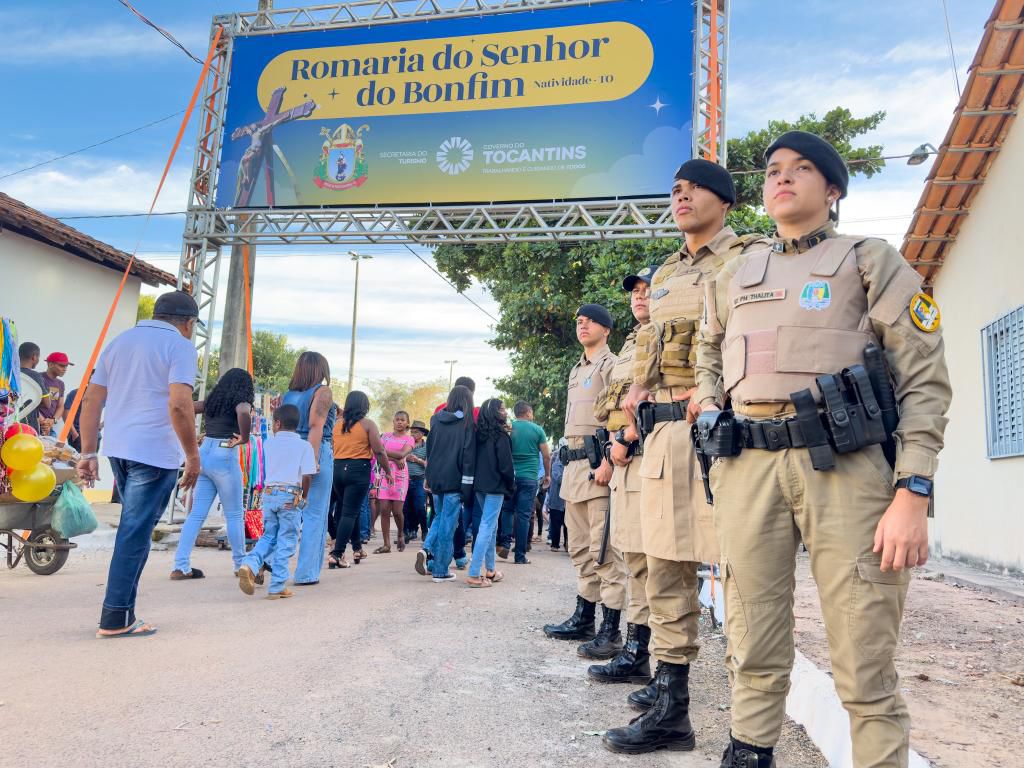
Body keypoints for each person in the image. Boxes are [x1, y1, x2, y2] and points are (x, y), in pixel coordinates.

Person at [693, 132, 951, 768]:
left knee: (863, 652)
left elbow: (923, 380)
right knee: (750, 636)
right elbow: (707, 350)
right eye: (774, 170)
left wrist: (913, 490)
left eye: (802, 170)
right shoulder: (733, 274)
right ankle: (750, 754)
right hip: (747, 466)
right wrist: (705, 399)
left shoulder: (869, 259)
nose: (783, 179)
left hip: (846, 470)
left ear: (832, 190)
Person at [605, 159, 770, 754]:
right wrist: (636, 396)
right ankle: (672, 710)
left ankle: (750, 734)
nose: (681, 197)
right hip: (666, 436)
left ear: (723, 199)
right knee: (666, 566)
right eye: (674, 190)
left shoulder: (752, 256)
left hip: (727, 431)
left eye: (693, 188)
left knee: (742, 571)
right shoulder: (669, 270)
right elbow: (650, 350)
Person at [77, 290, 201, 638]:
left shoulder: (120, 342)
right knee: (135, 533)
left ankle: (124, 611)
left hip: (118, 447)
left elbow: (92, 398)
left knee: (136, 531)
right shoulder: (179, 347)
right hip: (154, 451)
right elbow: (179, 405)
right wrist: (192, 455)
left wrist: (87, 452)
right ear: (188, 323)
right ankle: (115, 617)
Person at [543, 304, 628, 660]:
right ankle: (584, 617)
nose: (582, 325)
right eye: (578, 320)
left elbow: (620, 415)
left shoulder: (613, 364)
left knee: (604, 550)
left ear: (606, 329)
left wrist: (609, 459)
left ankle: (611, 631)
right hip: (573, 466)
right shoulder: (577, 369)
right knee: (579, 548)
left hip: (598, 465)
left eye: (590, 320)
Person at [588, 265, 656, 695]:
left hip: (648, 452)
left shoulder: (666, 333)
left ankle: (644, 654)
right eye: (635, 291)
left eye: (648, 289)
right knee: (632, 555)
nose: (639, 296)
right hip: (623, 455)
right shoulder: (635, 340)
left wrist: (625, 442)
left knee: (653, 561)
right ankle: (636, 651)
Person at [170, 368, 255, 580]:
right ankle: (240, 565)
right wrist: (245, 437)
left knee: (196, 514)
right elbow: (244, 412)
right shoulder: (241, 401)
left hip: (204, 451)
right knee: (235, 514)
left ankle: (181, 565)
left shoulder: (213, 401)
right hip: (225, 452)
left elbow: (188, 407)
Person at [237, 404, 317, 599]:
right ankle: (277, 586)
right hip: (290, 496)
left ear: (278, 423)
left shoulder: (268, 443)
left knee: (268, 536)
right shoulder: (305, 446)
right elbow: (307, 475)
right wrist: (303, 498)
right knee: (286, 540)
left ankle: (251, 563)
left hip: (269, 494)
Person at [281, 352, 337, 586]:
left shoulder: (288, 396)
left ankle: (271, 564)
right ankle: (306, 573)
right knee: (315, 513)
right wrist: (311, 462)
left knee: (286, 511)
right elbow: (315, 426)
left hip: (288, 450)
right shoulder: (322, 392)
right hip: (314, 451)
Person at [328, 391, 393, 569]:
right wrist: (388, 471)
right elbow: (379, 451)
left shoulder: (337, 425)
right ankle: (337, 554)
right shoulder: (368, 424)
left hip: (338, 469)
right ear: (365, 406)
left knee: (351, 510)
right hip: (358, 470)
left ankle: (357, 548)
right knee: (349, 512)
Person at [417, 385, 475, 583]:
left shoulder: (437, 421)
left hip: (436, 478)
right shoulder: (467, 424)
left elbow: (430, 451)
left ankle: (426, 549)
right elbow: (468, 457)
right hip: (454, 480)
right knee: (448, 525)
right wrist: (467, 485)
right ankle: (441, 570)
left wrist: (428, 476)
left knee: (439, 518)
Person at [466, 398, 514, 588]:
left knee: (491, 527)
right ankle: (474, 574)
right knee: (487, 526)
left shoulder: (478, 435)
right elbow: (506, 466)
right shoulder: (501, 436)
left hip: (480, 486)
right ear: (495, 413)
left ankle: (491, 570)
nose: (505, 412)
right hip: (496, 486)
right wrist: (511, 484)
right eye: (502, 409)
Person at [497, 401, 551, 564]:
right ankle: (520, 555)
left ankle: (505, 543)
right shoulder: (537, 430)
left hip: (510, 477)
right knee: (524, 515)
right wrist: (547, 475)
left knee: (507, 510)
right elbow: (547, 456)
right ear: (528, 413)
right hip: (529, 477)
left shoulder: (509, 428)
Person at [373, 411, 415, 553]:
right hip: (386, 474)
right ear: (393, 422)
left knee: (397, 511)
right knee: (384, 509)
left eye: (402, 420)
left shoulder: (409, 440)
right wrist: (395, 459)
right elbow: (377, 454)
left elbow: (403, 454)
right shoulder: (385, 436)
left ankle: (400, 534)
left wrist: (386, 452)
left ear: (407, 423)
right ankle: (386, 545)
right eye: (397, 419)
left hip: (400, 477)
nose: (399, 422)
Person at [403, 420, 429, 542]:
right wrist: (404, 457)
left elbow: (429, 465)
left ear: (422, 434)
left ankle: (424, 530)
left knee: (419, 507)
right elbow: (398, 456)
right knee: (405, 508)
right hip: (405, 480)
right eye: (411, 432)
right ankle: (408, 532)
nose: (413, 434)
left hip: (419, 480)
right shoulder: (406, 444)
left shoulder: (427, 446)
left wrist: (418, 460)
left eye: (416, 432)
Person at [38, 351, 72, 437]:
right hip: (34, 425)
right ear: (50, 364)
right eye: (61, 365)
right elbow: (29, 403)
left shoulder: (60, 384)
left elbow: (61, 406)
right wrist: (43, 421)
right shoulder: (38, 378)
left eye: (66, 366)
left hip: (50, 428)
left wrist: (53, 420)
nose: (65, 369)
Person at [545, 440, 567, 551]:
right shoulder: (556, 464)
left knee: (568, 524)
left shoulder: (570, 464)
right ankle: (555, 544)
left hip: (567, 499)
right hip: (557, 498)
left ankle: (568, 545)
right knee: (556, 523)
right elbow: (559, 479)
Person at [18, 342, 43, 432]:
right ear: (34, 357)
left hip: (8, 424)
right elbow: (46, 403)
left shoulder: (9, 374)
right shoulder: (35, 376)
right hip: (28, 427)